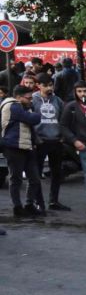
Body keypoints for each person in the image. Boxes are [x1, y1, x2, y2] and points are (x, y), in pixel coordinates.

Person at [60, 81, 86, 213]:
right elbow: (63, 126)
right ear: (75, 92)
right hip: (83, 145)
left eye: (85, 91)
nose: (82, 94)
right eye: (79, 91)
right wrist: (74, 141)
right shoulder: (70, 107)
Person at [1, 85, 44, 217]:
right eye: (28, 98)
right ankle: (18, 207)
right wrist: (34, 113)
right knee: (16, 178)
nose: (31, 100)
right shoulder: (13, 106)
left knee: (34, 179)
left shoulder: (21, 106)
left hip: (26, 146)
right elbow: (34, 119)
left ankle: (29, 204)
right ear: (19, 97)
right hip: (13, 146)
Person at [31, 73, 70, 212]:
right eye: (46, 85)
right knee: (36, 173)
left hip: (56, 140)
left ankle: (54, 201)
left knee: (56, 173)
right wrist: (36, 138)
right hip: (40, 141)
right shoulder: (33, 100)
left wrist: (62, 136)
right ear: (39, 86)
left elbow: (63, 119)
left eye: (51, 85)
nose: (49, 88)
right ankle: (37, 202)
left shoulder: (57, 100)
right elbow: (29, 121)